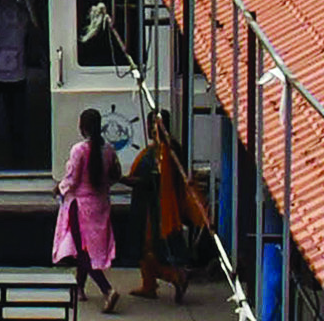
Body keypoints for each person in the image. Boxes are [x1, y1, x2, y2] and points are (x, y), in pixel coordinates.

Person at [130, 108, 217, 301]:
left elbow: (149, 181)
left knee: (151, 248)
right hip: (158, 207)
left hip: (158, 210)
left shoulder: (164, 152)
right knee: (150, 249)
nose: (149, 129)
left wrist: (119, 179)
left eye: (152, 126)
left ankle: (176, 277)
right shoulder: (165, 149)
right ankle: (149, 284)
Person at [53, 106, 124, 308]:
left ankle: (107, 290)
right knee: (85, 246)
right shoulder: (108, 150)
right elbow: (115, 175)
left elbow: (72, 179)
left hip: (80, 206)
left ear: (82, 127)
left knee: (83, 250)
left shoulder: (79, 150)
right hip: (100, 205)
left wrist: (59, 188)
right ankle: (80, 287)